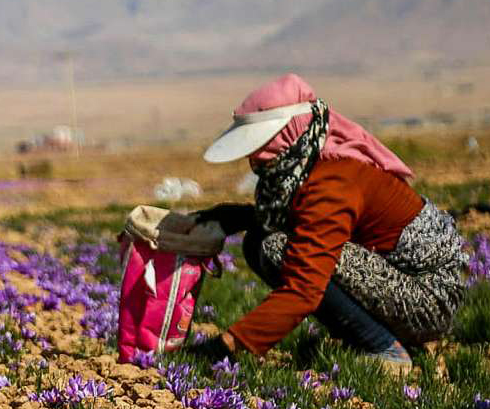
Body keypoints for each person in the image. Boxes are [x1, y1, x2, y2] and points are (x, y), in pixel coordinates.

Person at [190, 74, 467, 372]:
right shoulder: (310, 165)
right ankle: (371, 335)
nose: (255, 159)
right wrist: (235, 217)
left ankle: (383, 347)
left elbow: (305, 288)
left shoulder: (332, 182)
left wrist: (229, 344)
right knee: (261, 239)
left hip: (428, 301)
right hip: (411, 287)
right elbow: (300, 218)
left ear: (287, 135)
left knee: (276, 248)